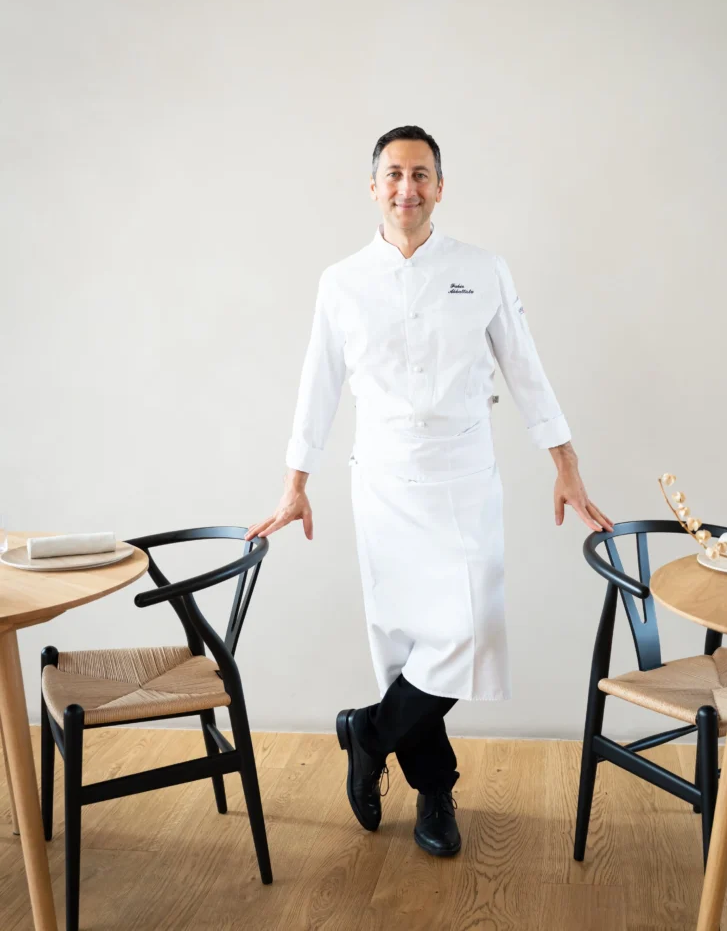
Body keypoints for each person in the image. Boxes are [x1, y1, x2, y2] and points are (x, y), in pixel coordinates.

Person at [246, 125, 613, 857]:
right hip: (381, 480)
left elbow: (525, 369)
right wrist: (295, 485)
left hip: (463, 475)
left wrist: (565, 464)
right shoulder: (341, 281)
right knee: (403, 644)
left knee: (470, 628)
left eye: (420, 174)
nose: (405, 188)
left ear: (440, 187)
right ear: (373, 187)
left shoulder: (482, 270)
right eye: (392, 174)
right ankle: (434, 793)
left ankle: (367, 732)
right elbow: (316, 387)